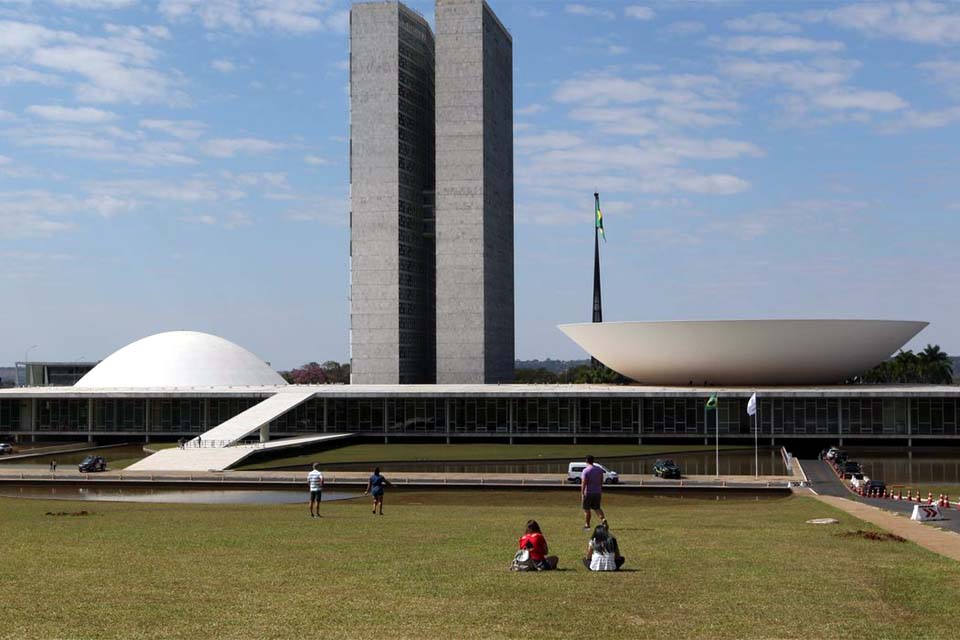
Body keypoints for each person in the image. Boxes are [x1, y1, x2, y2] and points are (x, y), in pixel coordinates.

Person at [580, 454, 606, 529]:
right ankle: (603, 520)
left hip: (588, 492)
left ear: (586, 461)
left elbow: (584, 483)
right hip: (597, 492)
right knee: (597, 508)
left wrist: (582, 493)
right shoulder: (599, 470)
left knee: (587, 509)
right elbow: (601, 481)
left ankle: (587, 525)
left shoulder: (586, 470)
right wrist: (600, 489)